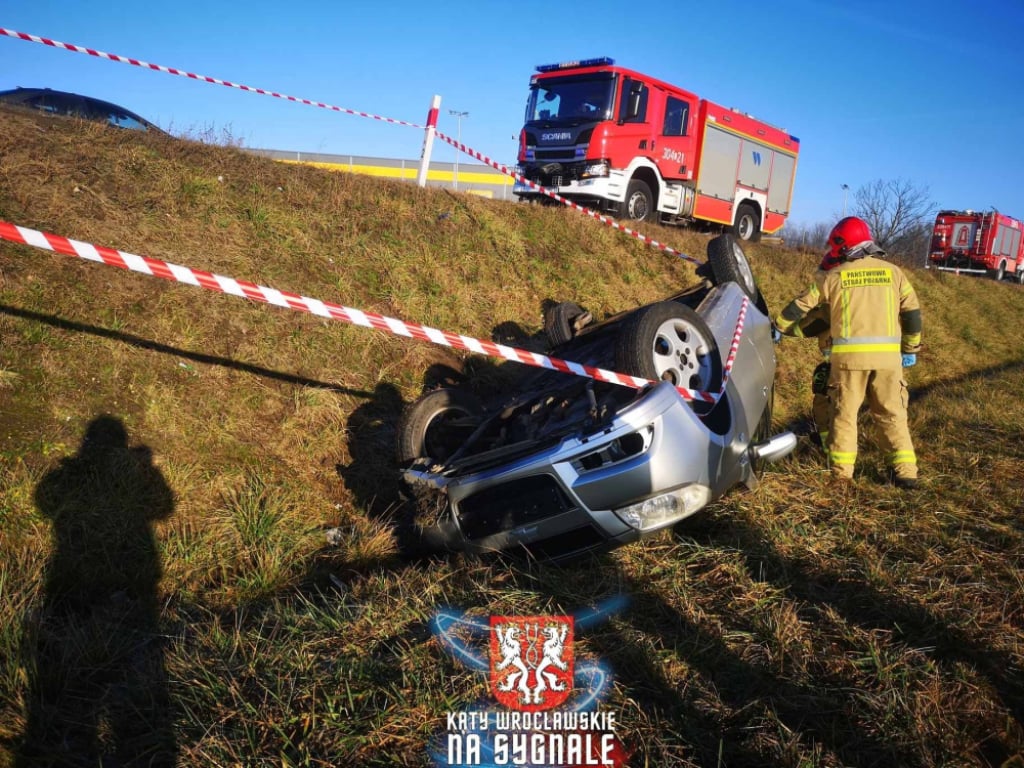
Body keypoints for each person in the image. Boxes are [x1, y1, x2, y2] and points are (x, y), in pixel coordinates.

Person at [774, 216, 923, 488]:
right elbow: (912, 314)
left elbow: (803, 307)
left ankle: (841, 477)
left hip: (848, 363)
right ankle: (906, 473)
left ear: (843, 246)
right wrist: (910, 347)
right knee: (892, 415)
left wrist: (779, 326)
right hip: (889, 363)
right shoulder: (894, 273)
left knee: (845, 417)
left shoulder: (834, 276)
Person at [775, 252, 840, 448]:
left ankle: (827, 442)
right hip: (876, 362)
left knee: (824, 400)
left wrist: (778, 328)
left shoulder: (829, 308)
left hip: (840, 365)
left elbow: (805, 326)